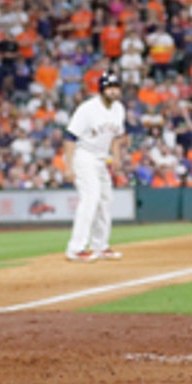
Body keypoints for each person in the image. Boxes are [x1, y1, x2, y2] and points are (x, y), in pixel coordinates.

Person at [63, 71, 128, 262]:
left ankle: (100, 246)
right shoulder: (88, 109)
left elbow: (116, 136)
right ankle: (75, 248)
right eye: (109, 87)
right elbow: (70, 138)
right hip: (84, 156)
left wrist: (116, 156)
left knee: (106, 200)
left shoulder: (119, 109)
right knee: (90, 198)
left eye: (116, 87)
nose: (113, 91)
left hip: (101, 159)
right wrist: (69, 167)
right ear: (101, 89)